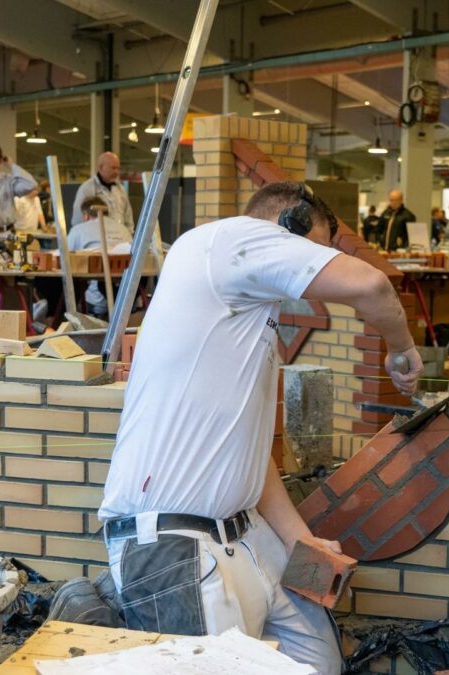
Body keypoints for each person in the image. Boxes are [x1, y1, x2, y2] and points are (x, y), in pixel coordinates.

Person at [98, 181, 423, 675]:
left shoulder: (249, 319)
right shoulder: (225, 241)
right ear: (288, 224)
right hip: (174, 545)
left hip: (244, 534)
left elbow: (251, 454)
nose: (311, 265)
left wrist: (300, 542)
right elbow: (372, 286)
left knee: (319, 660)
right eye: (312, 249)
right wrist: (402, 348)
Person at [66, 196, 123, 316]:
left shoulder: (79, 230)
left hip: (94, 299)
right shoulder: (123, 229)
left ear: (86, 215)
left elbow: (65, 257)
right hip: (125, 299)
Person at [72, 152, 135, 241]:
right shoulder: (87, 189)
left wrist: (129, 236)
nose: (117, 172)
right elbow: (78, 220)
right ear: (101, 168)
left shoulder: (121, 190)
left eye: (118, 168)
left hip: (121, 240)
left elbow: (128, 217)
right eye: (113, 168)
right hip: (97, 241)